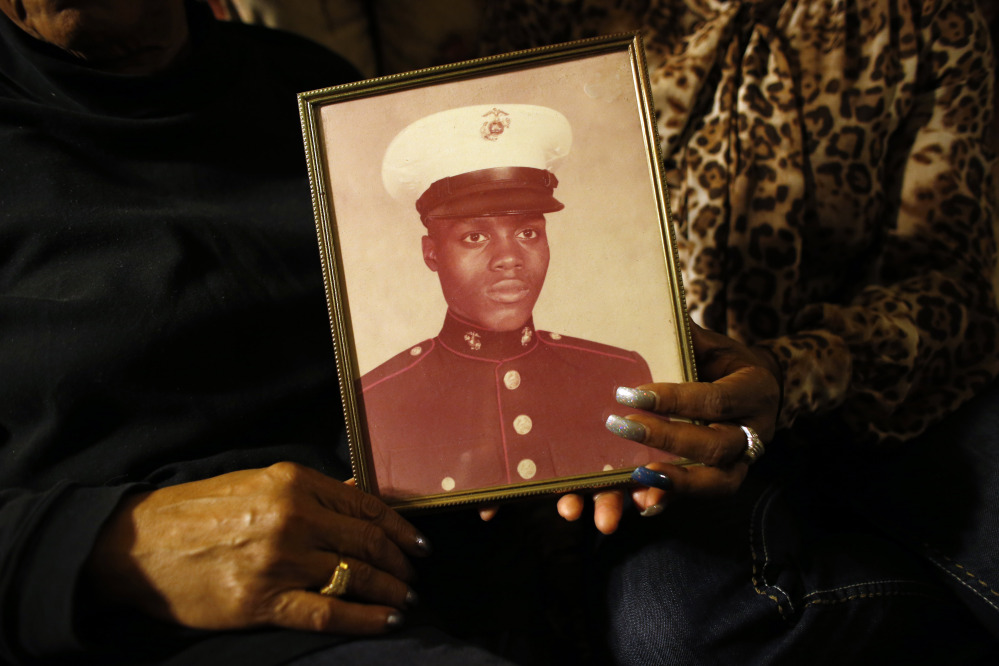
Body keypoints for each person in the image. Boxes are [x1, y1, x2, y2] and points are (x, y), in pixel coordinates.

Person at [361, 104, 677, 499]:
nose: (509, 257)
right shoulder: (377, 402)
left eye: (528, 232)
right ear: (431, 253)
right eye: (475, 237)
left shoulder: (620, 374)